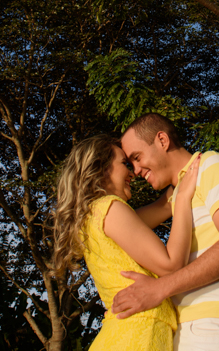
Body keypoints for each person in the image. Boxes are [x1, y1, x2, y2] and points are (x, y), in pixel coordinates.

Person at [113, 113, 219, 351]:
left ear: (162, 140)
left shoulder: (212, 165)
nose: (136, 170)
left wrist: (159, 288)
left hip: (218, 325)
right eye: (130, 164)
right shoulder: (180, 191)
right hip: (193, 326)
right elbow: (124, 223)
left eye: (137, 158)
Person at [52, 134, 201, 350]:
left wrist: (179, 169)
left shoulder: (93, 216)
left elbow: (165, 206)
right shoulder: (110, 208)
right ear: (100, 168)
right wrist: (185, 198)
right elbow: (171, 264)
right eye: (125, 164)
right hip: (138, 333)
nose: (132, 172)